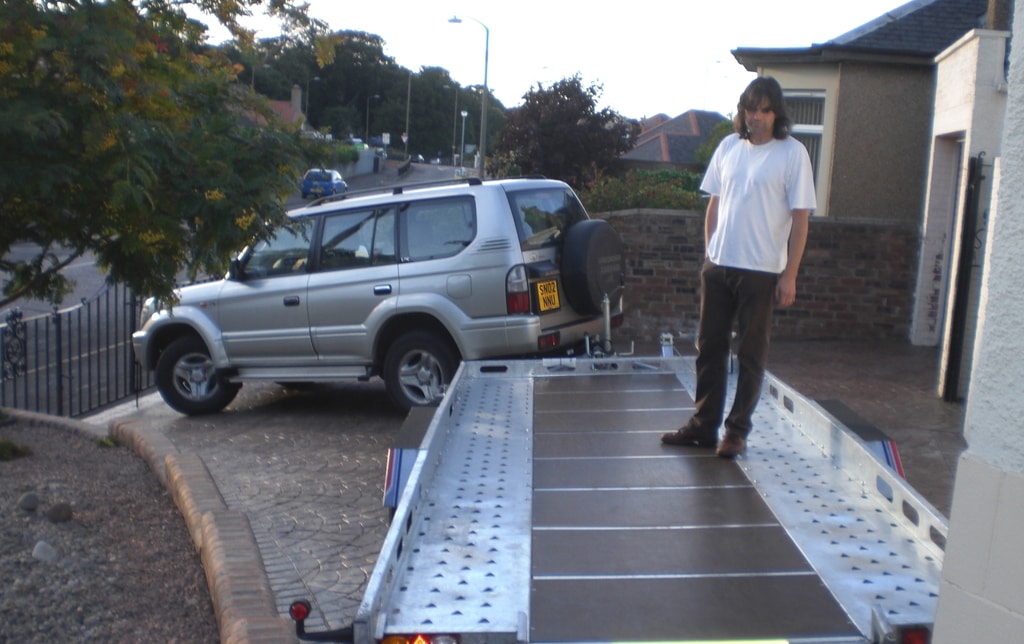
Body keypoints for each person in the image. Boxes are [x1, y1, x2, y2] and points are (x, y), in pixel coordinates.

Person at [660, 76, 816, 458]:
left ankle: (736, 431)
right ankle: (702, 426)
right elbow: (715, 202)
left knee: (750, 354)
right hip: (720, 265)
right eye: (751, 109)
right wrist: (709, 253)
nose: (756, 117)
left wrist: (790, 275)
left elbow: (801, 219)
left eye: (764, 110)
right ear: (742, 111)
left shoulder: (792, 153)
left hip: (760, 271)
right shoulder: (729, 147)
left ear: (776, 113)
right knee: (709, 347)